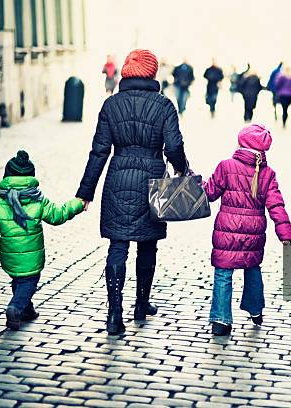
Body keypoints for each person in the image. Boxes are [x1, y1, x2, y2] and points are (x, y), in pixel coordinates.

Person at [76, 49, 188, 335]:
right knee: (148, 244)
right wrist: (181, 169)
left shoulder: (110, 105)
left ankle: (114, 313)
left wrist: (86, 191)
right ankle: (141, 303)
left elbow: (99, 151)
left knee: (118, 246)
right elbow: (173, 146)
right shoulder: (164, 105)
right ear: (152, 73)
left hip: (118, 178)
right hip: (152, 179)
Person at [0, 150, 84, 330]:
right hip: (31, 259)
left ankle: (27, 310)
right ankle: (16, 308)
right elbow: (58, 215)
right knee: (28, 283)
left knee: (19, 281)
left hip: (10, 258)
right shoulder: (38, 201)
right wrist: (77, 204)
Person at [203, 124, 291, 336]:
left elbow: (210, 193)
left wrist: (196, 181)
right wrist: (285, 234)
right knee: (252, 268)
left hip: (227, 232)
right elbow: (276, 205)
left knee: (223, 273)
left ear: (241, 143)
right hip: (254, 234)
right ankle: (255, 310)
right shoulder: (268, 174)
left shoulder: (226, 166)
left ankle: (220, 320)